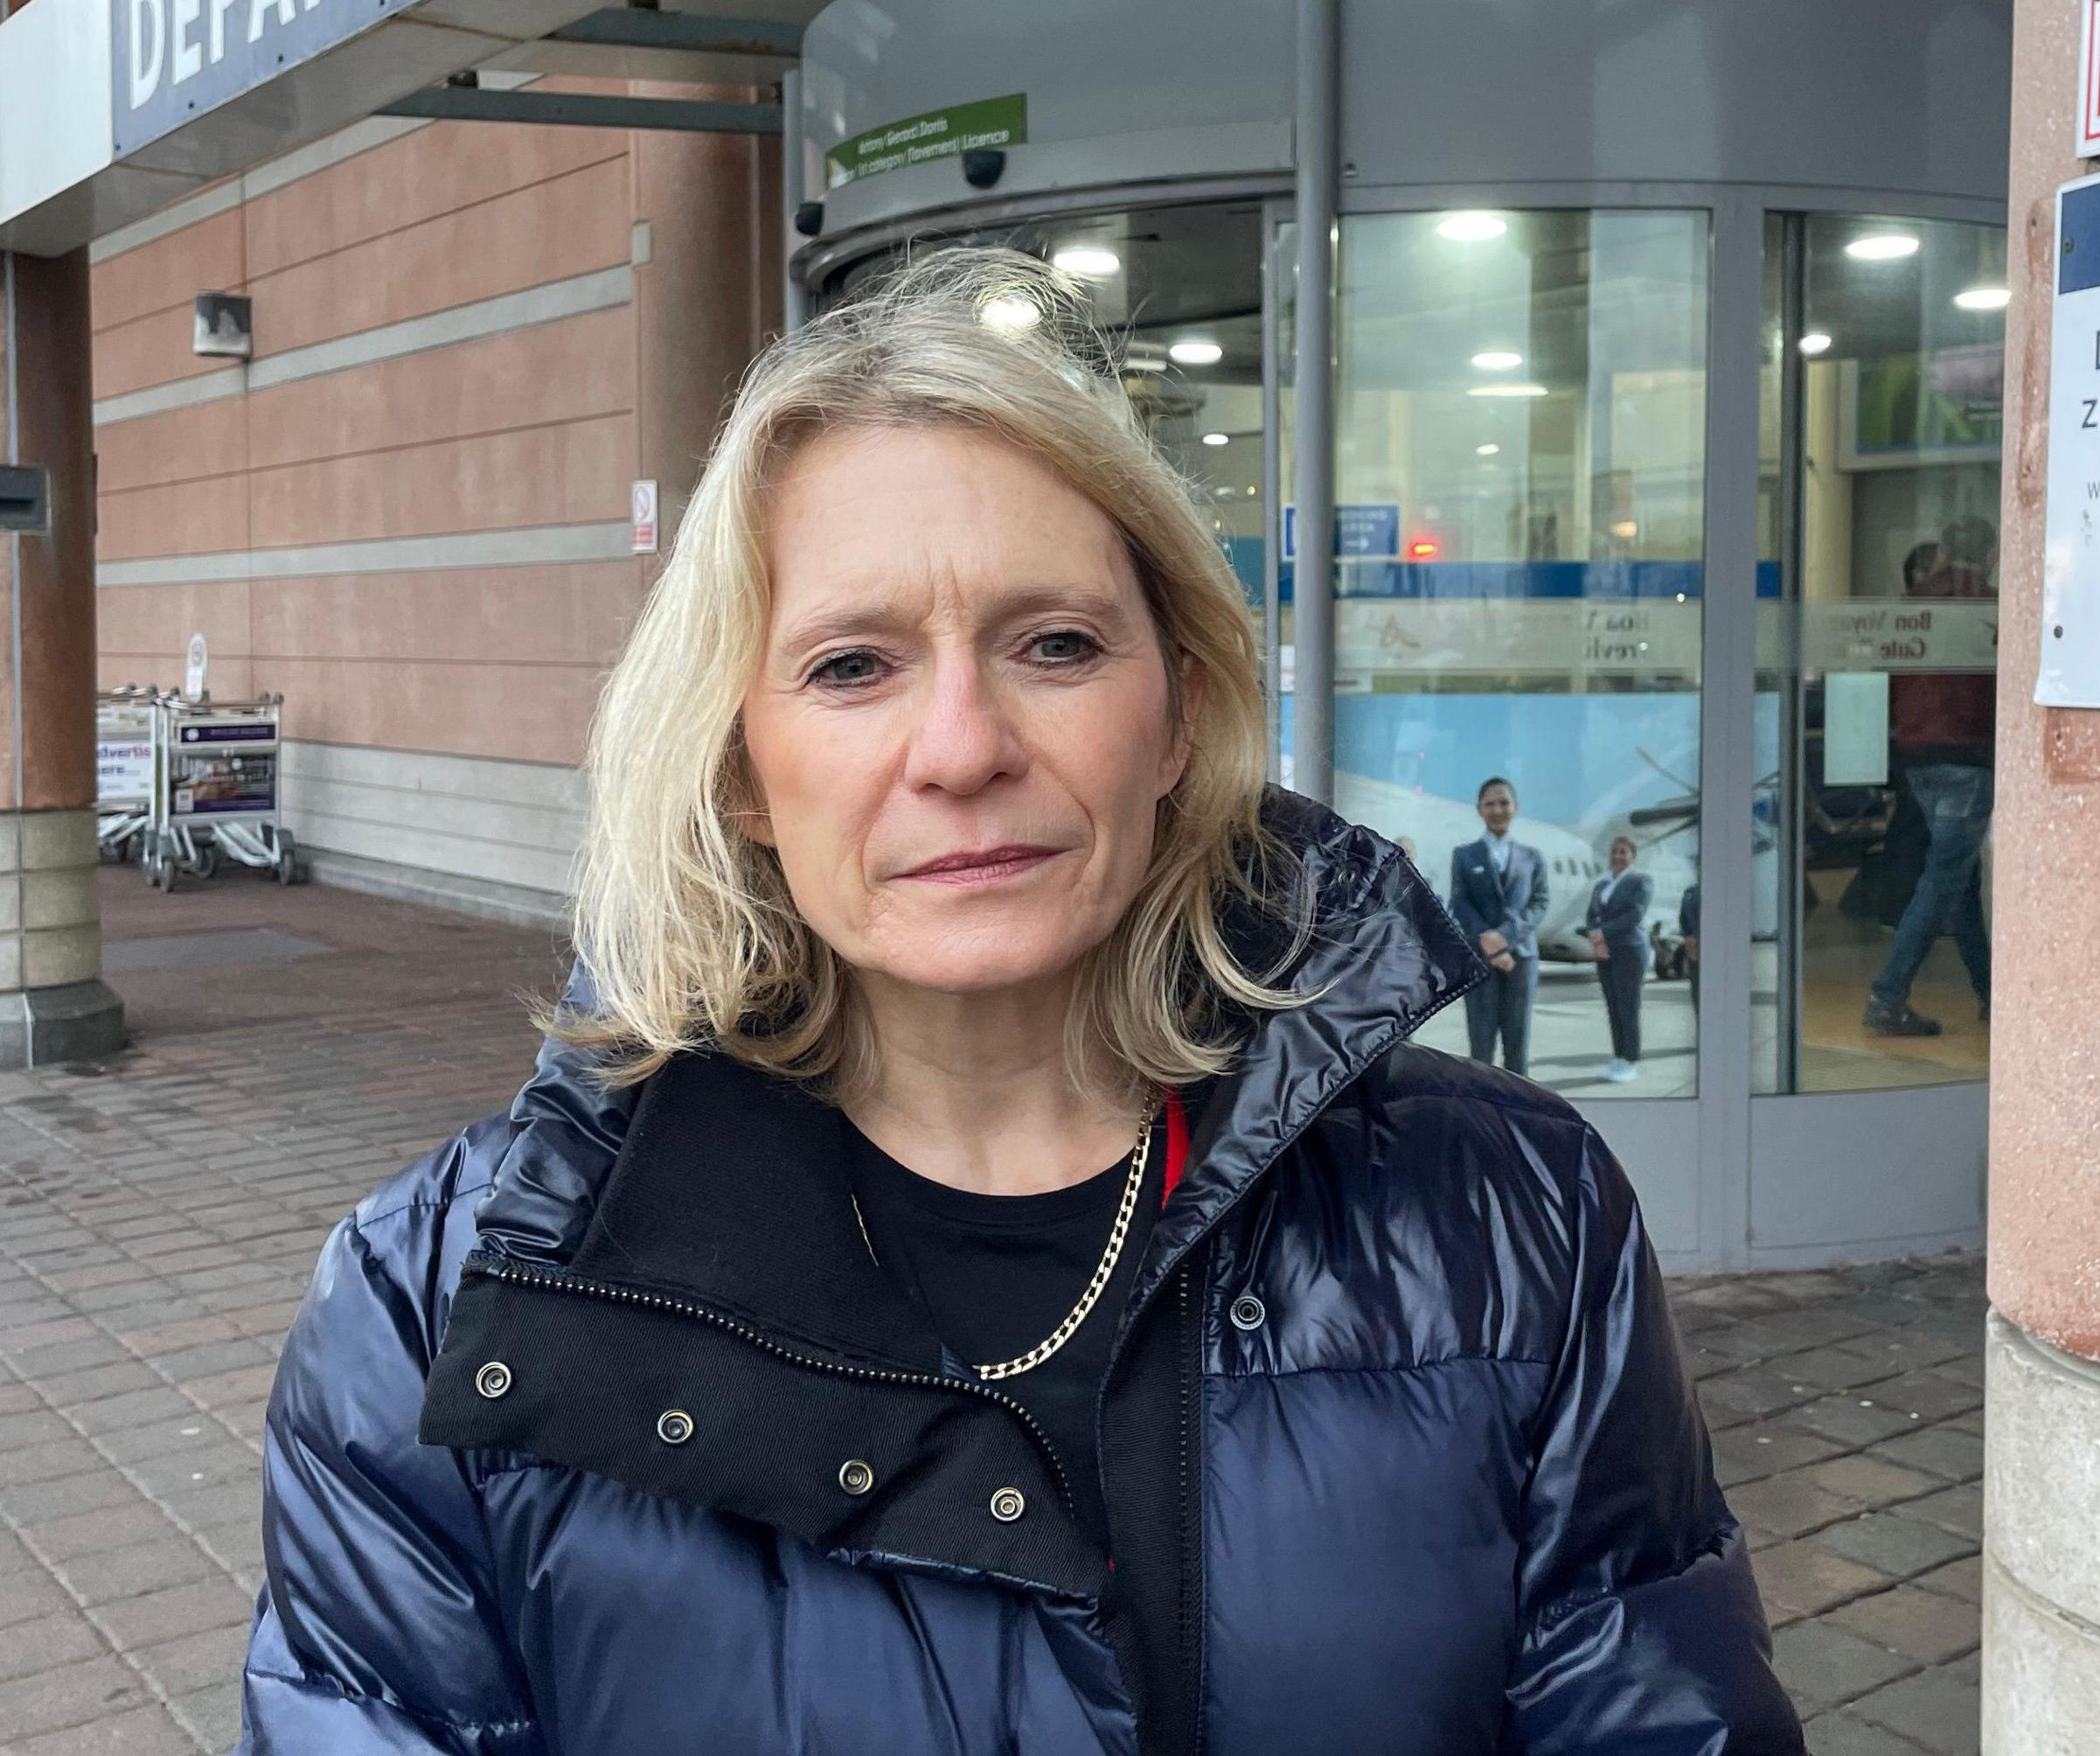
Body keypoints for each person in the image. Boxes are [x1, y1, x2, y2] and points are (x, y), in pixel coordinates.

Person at [234, 249, 1799, 1756]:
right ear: (742, 774)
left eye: (1055, 644)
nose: (963, 745)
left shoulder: (1514, 1224)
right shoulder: (443, 1309)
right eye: (853, 667)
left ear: (1179, 713)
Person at [1867, 532, 1994, 1036]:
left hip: (1917, 757)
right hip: (1967, 756)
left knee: (1958, 878)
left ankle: (1990, 992)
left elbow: (1894, 676)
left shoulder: (1912, 607)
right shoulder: (1985, 607)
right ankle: (1887, 996)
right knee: (1944, 876)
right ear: (1991, 554)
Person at [1448, 777, 1547, 1077]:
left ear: (1515, 807)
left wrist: (1503, 938)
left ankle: (1521, 1106)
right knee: (1481, 1043)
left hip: (1521, 958)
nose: (1497, 809)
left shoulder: (1533, 857)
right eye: (1489, 803)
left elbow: (1540, 903)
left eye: (1504, 802)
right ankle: (1483, 1109)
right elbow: (1460, 902)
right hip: (1479, 958)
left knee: (1518, 1041)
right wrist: (1488, 942)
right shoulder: (1464, 855)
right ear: (1479, 809)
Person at [1580, 833, 1654, 1082]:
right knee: (1612, 1006)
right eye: (1614, 852)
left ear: (1632, 856)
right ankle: (1618, 1055)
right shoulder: (1602, 885)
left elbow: (1634, 915)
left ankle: (1630, 1059)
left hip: (1630, 950)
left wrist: (1601, 933)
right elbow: (1592, 914)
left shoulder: (1641, 881)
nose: (1618, 856)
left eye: (1623, 852)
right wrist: (1596, 938)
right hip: (1605, 951)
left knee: (1628, 1006)